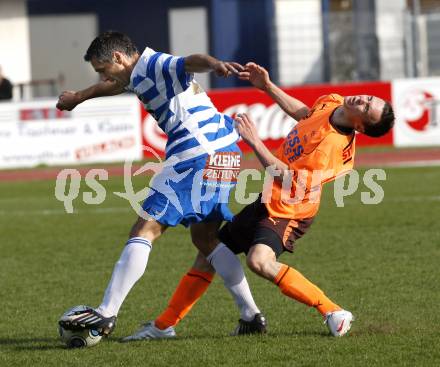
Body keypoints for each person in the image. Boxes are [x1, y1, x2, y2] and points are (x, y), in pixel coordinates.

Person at [128, 62, 395, 340]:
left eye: (366, 108)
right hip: (269, 200)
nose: (363, 100)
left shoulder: (332, 149)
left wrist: (256, 142)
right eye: (368, 98)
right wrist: (267, 86)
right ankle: (164, 325)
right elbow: (306, 115)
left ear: (360, 125)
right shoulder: (335, 102)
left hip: (291, 210)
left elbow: (289, 180)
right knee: (209, 255)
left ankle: (333, 312)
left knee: (259, 260)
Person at [56, 31, 266, 338]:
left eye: (102, 68)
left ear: (118, 57)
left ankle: (106, 312)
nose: (102, 75)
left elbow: (189, 62)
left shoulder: (154, 64)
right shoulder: (134, 73)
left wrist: (215, 64)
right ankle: (251, 316)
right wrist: (79, 97)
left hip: (196, 153)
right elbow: (115, 84)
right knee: (206, 239)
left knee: (144, 229)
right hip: (226, 152)